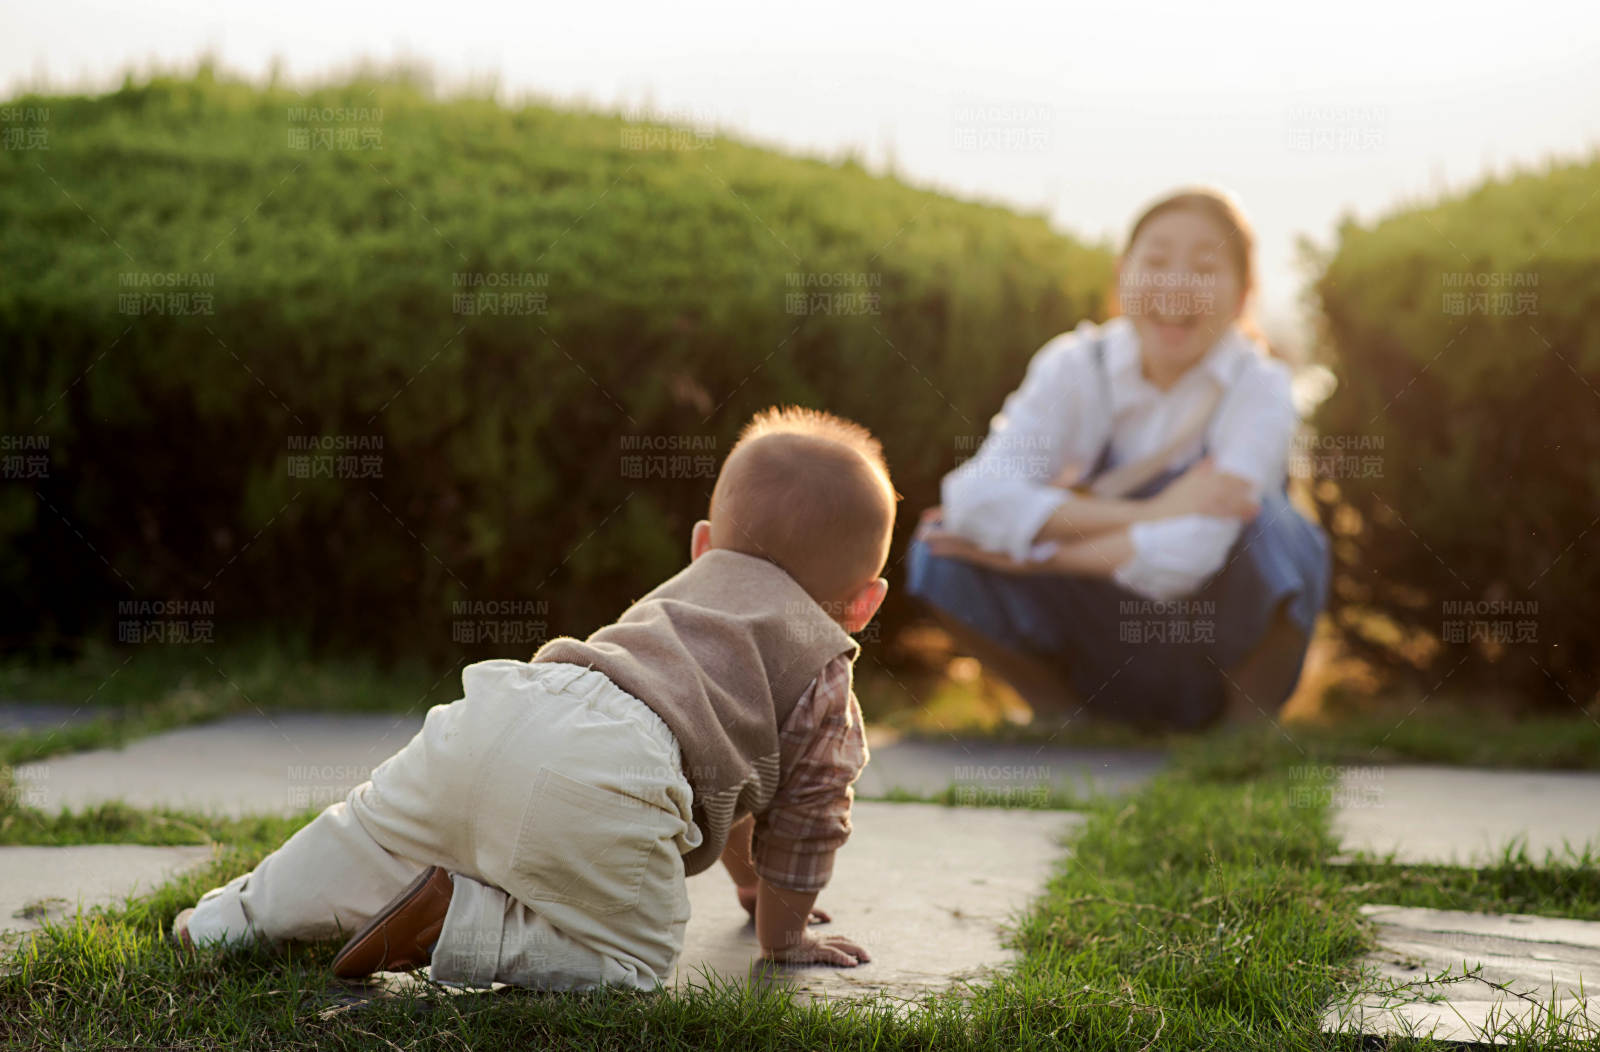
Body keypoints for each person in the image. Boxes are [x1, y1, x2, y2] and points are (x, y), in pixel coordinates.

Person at [173, 405, 896, 988]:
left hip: (512, 701)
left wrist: (748, 886)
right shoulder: (823, 668)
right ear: (863, 603)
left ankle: (229, 919)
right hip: (619, 768)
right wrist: (783, 931)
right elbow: (807, 816)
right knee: (635, 963)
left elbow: (742, 784)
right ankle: (462, 923)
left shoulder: (689, 594)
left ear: (705, 545)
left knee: (368, 833)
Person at [907, 186, 1330, 731]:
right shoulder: (1073, 366)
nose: (1176, 284)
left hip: (1210, 645)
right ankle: (1061, 716)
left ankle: (1244, 728)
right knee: (939, 554)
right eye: (1155, 261)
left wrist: (1031, 552)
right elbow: (973, 498)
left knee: (1274, 524)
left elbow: (1195, 554)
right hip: (1097, 637)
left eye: (1204, 268)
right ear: (1121, 275)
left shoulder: (1261, 387)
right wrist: (1152, 513)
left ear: (1244, 294)